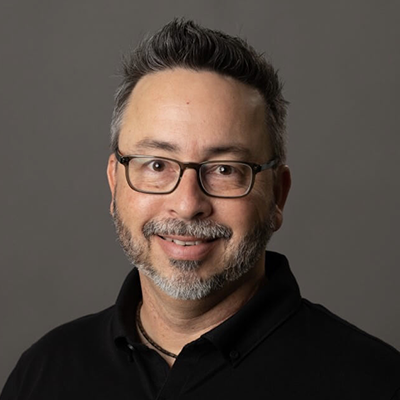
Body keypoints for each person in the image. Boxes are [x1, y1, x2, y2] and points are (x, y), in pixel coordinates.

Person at [1, 18, 400, 400]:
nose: (187, 204)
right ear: (114, 183)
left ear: (277, 196)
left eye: (225, 169)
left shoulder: (375, 385)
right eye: (157, 165)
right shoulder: (44, 373)